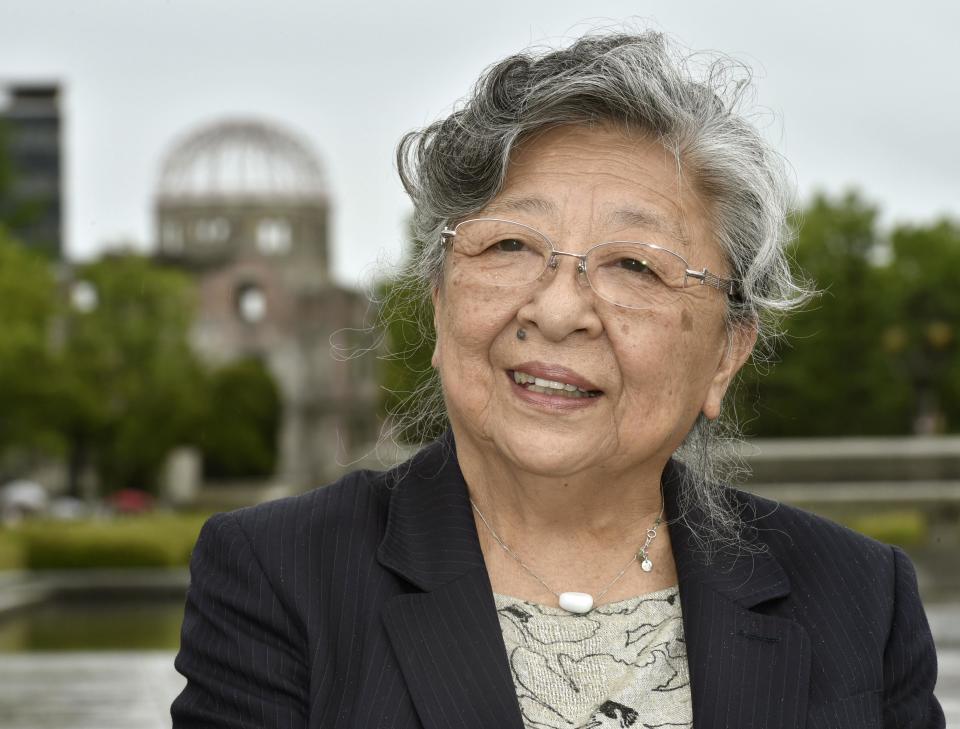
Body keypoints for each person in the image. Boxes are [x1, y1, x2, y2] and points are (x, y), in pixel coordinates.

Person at [171, 30, 944, 729]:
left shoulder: (858, 596)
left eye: (636, 265)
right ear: (440, 300)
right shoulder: (279, 575)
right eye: (509, 244)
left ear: (726, 355)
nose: (560, 307)